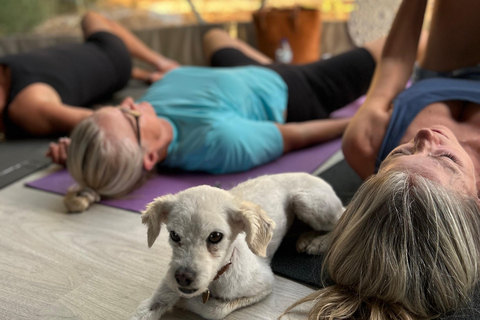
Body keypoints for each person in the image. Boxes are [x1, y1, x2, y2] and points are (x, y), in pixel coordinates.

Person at [283, 0, 480, 319]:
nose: (427, 137)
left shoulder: (366, 142)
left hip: (447, 62)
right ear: (475, 203)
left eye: (402, 151)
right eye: (445, 159)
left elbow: (394, 60)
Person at [52, 28, 386, 212]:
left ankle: (263, 58)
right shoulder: (217, 141)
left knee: (213, 36)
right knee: (393, 45)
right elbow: (295, 134)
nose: (130, 100)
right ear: (150, 155)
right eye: (129, 113)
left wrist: (80, 155)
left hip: (235, 74)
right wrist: (356, 120)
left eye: (119, 105)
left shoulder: (136, 126)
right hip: (293, 87)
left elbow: (112, 139)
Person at [0, 11, 179, 140]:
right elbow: (106, 122)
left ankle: (144, 74)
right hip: (112, 58)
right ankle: (162, 63)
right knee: (91, 17)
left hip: (87, 57)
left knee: (89, 19)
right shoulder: (26, 105)